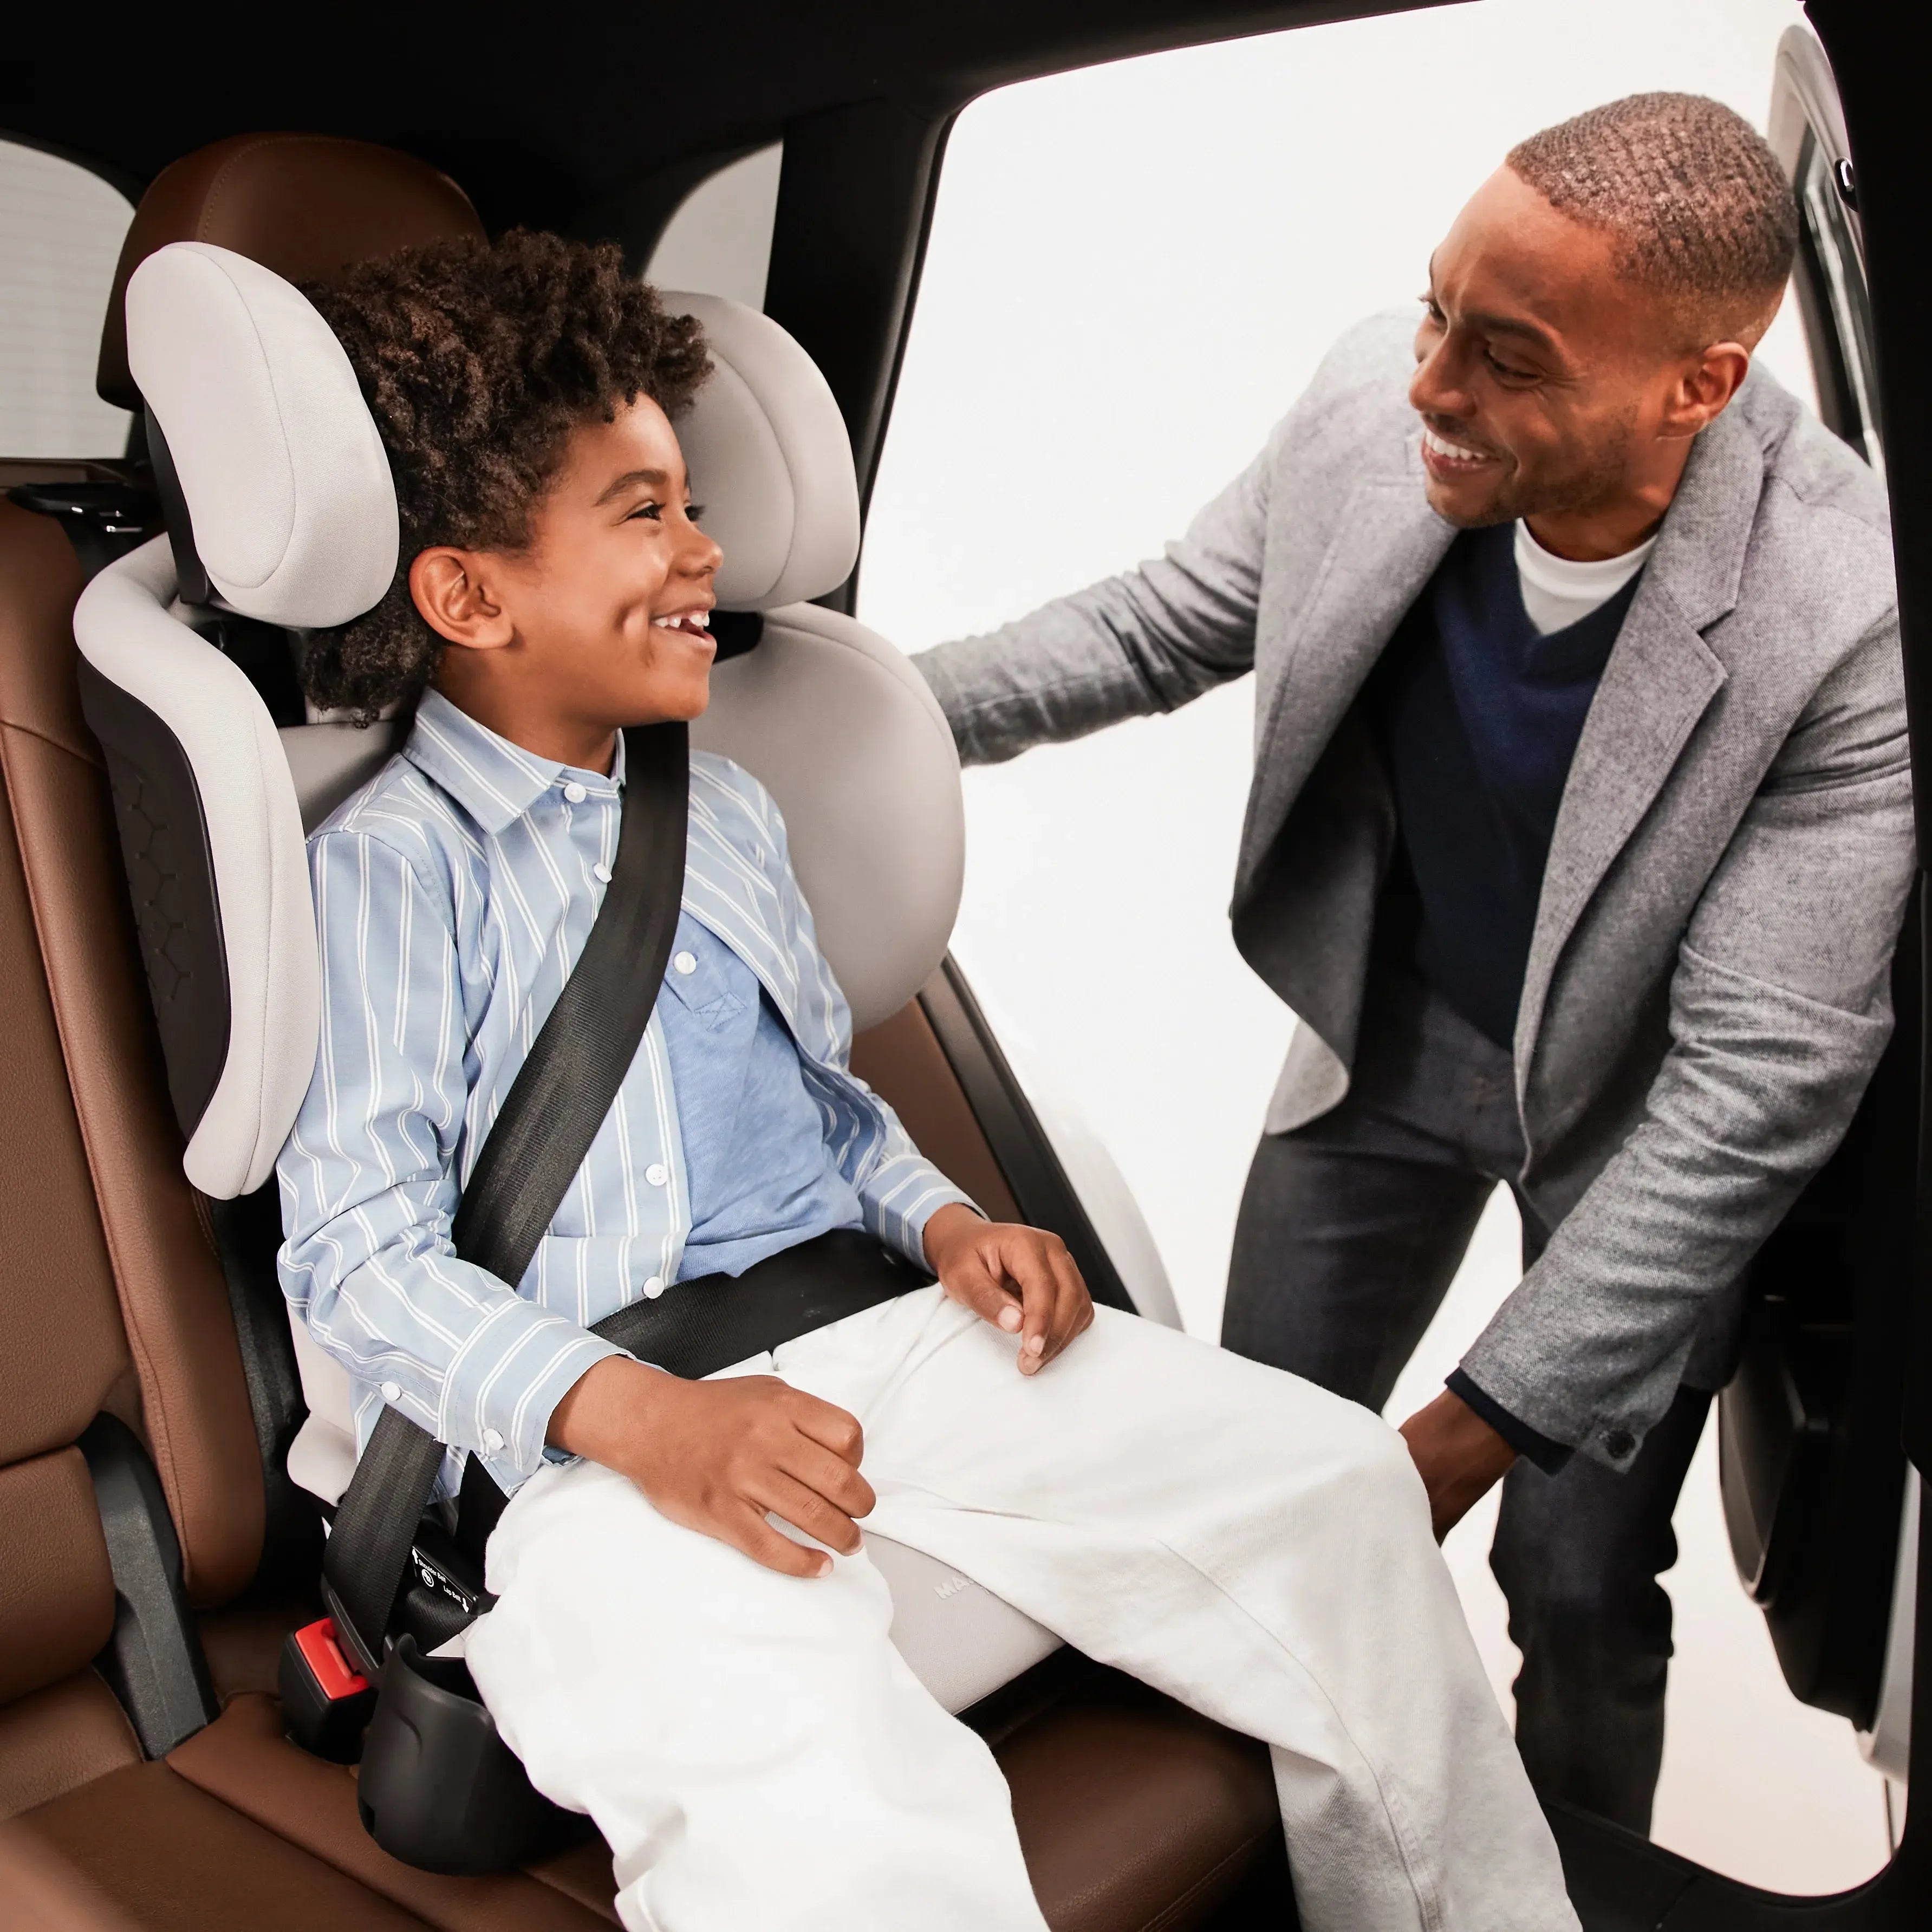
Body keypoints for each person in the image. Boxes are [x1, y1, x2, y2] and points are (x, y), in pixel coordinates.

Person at [274, 230, 1578, 1932]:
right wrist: (651, 1423)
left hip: (877, 1342)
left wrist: (946, 1221)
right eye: (645, 514)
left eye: (695, 504)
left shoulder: (721, 811)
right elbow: (359, 1253)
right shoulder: (394, 867)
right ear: (469, 597)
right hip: (585, 1447)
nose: (706, 549)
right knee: (822, 1802)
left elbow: (819, 1107)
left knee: (1341, 1489)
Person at [913, 92, 1911, 1836]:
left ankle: (1563, 1882)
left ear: (1699, 384)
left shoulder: (1849, 610)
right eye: (1438, 307)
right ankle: (1271, 1847)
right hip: (1395, 1040)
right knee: (1251, 1491)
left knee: (1574, 1582)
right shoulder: (1379, 402)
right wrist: (847, 724)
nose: (1431, 384)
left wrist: (1457, 1443)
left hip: (1641, 1124)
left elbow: (1755, 1089)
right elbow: (1155, 625)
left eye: (1508, 357)